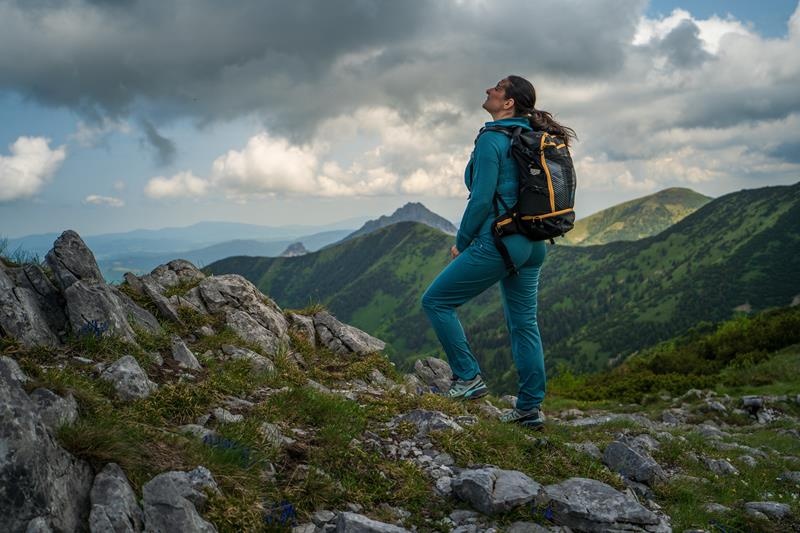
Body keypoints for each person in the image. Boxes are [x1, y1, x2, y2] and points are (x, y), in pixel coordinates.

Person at [421, 75, 576, 429]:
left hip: (500, 241)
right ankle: (529, 409)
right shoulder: (531, 136)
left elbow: (480, 200)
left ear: (508, 103)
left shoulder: (492, 138)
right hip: (533, 244)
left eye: (497, 87)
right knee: (524, 325)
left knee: (436, 301)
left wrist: (462, 242)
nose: (488, 90)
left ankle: (467, 377)